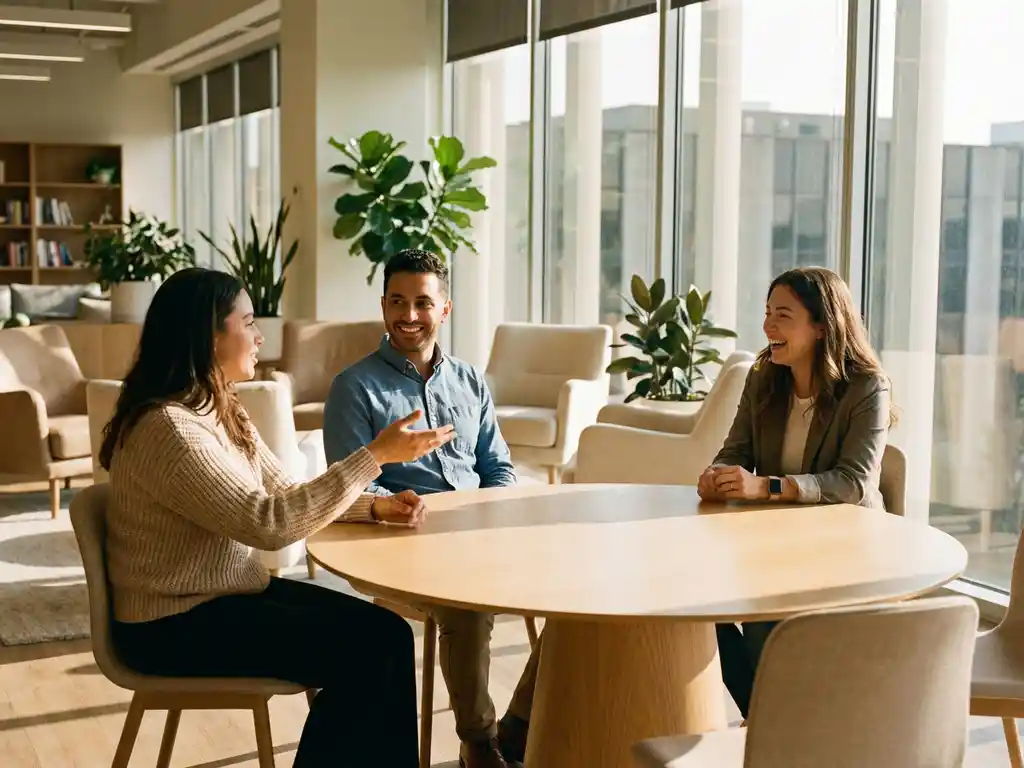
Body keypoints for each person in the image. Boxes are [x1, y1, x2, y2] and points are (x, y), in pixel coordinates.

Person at [101, 267, 456, 767]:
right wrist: (374, 456)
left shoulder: (218, 405)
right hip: (171, 625)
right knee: (367, 650)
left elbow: (286, 492)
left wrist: (375, 506)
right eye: (248, 322)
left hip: (224, 597)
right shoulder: (169, 428)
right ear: (209, 335)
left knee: (388, 634)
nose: (260, 335)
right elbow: (268, 525)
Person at [323, 249, 535, 768]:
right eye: (398, 301)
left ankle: (521, 729)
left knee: (578, 594)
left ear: (446, 310)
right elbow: (342, 492)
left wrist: (494, 514)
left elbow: (498, 466)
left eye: (422, 302)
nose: (409, 315)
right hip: (399, 544)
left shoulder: (470, 381)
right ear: (383, 306)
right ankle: (479, 743)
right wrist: (388, 506)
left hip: (476, 534)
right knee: (467, 600)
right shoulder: (354, 387)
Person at [697, 266, 895, 720]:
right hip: (773, 541)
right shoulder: (764, 377)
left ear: (822, 324)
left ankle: (776, 725)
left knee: (764, 607)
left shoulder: (866, 386)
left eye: (782, 315)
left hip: (843, 549)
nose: (768, 326)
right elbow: (734, 451)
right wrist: (718, 474)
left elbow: (854, 482)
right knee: (698, 610)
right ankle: (778, 723)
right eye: (767, 313)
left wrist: (766, 486)